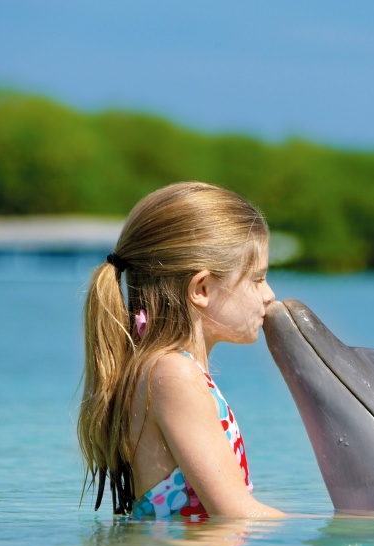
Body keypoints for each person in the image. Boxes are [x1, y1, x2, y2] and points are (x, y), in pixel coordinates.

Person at [77, 181, 284, 520]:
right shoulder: (173, 373)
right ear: (201, 288)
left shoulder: (165, 369)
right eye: (257, 279)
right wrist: (351, 532)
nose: (269, 294)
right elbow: (235, 513)